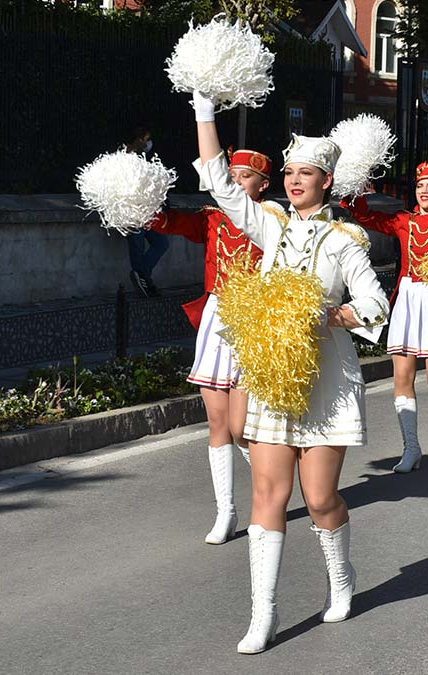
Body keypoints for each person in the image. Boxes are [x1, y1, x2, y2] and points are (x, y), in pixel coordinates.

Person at [192, 91, 390, 654]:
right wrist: (205, 109)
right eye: (290, 172)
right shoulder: (270, 226)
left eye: (307, 174)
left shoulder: (345, 241)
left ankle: (341, 577)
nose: (295, 181)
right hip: (273, 380)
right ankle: (264, 615)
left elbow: (375, 308)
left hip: (326, 384)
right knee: (268, 493)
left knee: (321, 496)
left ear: (326, 180)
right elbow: (219, 182)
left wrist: (324, 314)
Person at [144, 149, 271, 544]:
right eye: (229, 176)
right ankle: (226, 512)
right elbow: (166, 222)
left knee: (241, 427)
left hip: (254, 321)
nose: (234, 183)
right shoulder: (211, 218)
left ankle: (267, 499)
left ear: (263, 185)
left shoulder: (273, 221)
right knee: (217, 423)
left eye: (244, 177)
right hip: (217, 320)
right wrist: (138, 201)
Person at [343, 162, 428, 472]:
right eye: (420, 185)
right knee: (402, 377)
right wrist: (357, 184)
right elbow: (364, 215)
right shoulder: (403, 220)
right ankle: (411, 448)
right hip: (408, 300)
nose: (424, 190)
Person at [124, 126, 171, 297]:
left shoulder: (142, 159)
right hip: (131, 213)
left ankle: (142, 275)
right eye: (145, 139)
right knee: (137, 245)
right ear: (137, 140)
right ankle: (145, 282)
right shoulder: (122, 159)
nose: (148, 143)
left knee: (161, 243)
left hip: (146, 212)